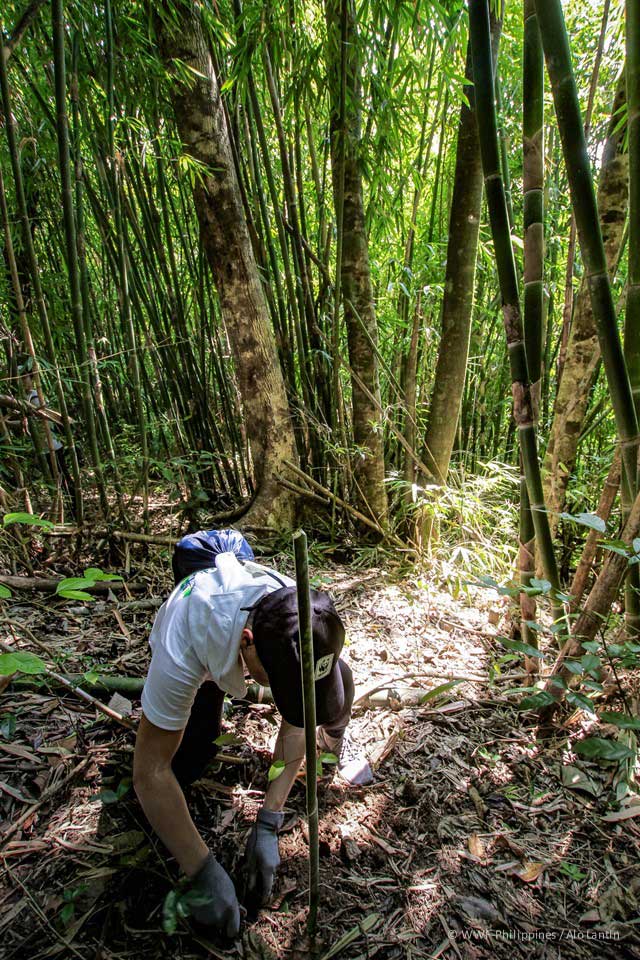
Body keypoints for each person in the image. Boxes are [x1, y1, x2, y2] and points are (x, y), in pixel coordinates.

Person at [133, 529, 372, 939]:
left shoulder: (303, 614)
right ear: (247, 643)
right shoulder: (184, 637)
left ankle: (333, 739)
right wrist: (202, 870)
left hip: (235, 595)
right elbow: (149, 772)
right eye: (278, 682)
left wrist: (268, 820)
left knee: (341, 684)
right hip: (203, 618)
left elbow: (298, 719)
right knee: (191, 755)